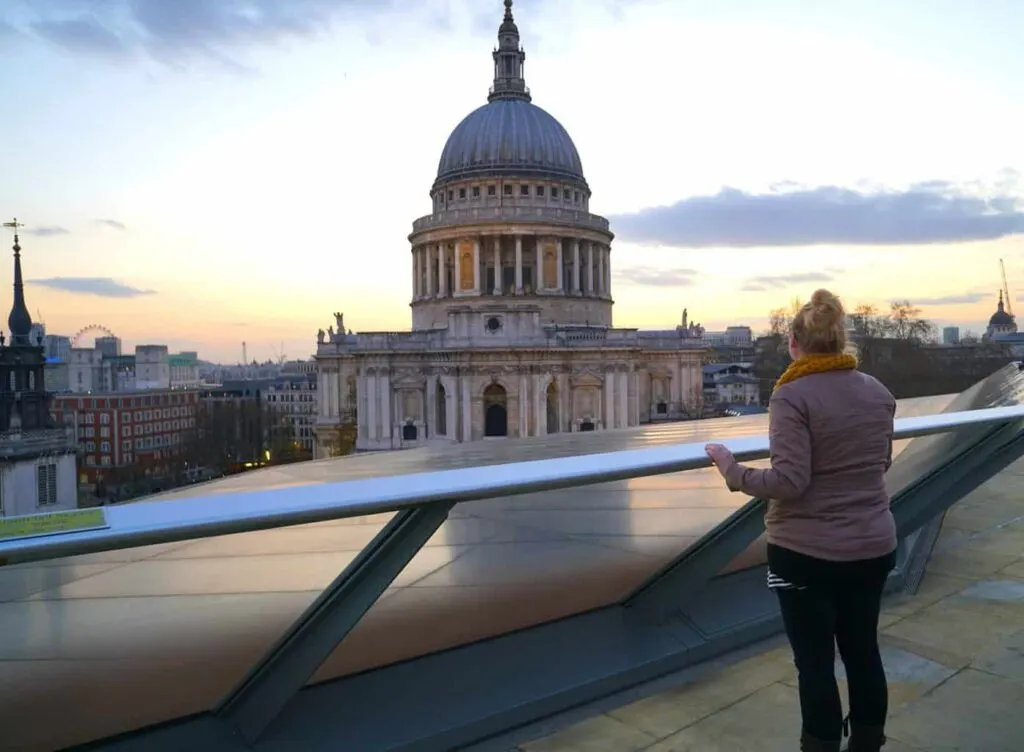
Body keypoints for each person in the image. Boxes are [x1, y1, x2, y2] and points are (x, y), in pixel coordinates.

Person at [705, 289, 897, 752]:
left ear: (793, 342)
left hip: (805, 555)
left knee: (814, 666)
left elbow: (790, 482)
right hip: (873, 547)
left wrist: (732, 470)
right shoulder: (878, 392)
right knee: (863, 654)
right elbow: (881, 464)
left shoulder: (791, 395)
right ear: (841, 339)